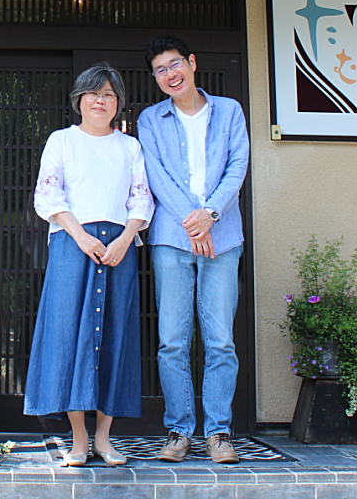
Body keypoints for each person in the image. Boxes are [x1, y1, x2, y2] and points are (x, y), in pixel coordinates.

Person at [24, 63, 154, 467]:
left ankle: (104, 438)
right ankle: (78, 439)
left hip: (119, 249)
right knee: (69, 335)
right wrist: (81, 237)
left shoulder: (129, 147)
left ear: (119, 103)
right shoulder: (62, 140)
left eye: (109, 95)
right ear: (79, 100)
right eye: (94, 93)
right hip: (71, 245)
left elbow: (141, 199)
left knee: (115, 335)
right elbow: (48, 195)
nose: (101, 101)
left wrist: (125, 239)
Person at [137, 36, 249, 464]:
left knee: (220, 340)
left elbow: (238, 165)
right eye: (160, 70)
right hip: (172, 237)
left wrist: (210, 215)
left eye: (175, 64)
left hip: (223, 236)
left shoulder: (229, 111)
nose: (170, 74)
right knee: (172, 340)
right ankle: (179, 430)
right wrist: (193, 219)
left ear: (192, 63)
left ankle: (218, 432)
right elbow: (156, 176)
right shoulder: (150, 119)